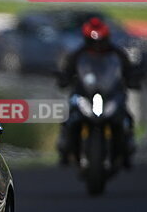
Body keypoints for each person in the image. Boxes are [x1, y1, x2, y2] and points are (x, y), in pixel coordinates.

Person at [57, 17, 138, 166]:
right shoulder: (78, 54)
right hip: (85, 93)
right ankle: (65, 149)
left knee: (126, 118)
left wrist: (133, 78)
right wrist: (64, 78)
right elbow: (66, 71)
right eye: (94, 42)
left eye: (101, 41)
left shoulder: (117, 54)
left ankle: (126, 149)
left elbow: (129, 70)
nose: (98, 45)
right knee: (69, 119)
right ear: (87, 39)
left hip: (110, 93)